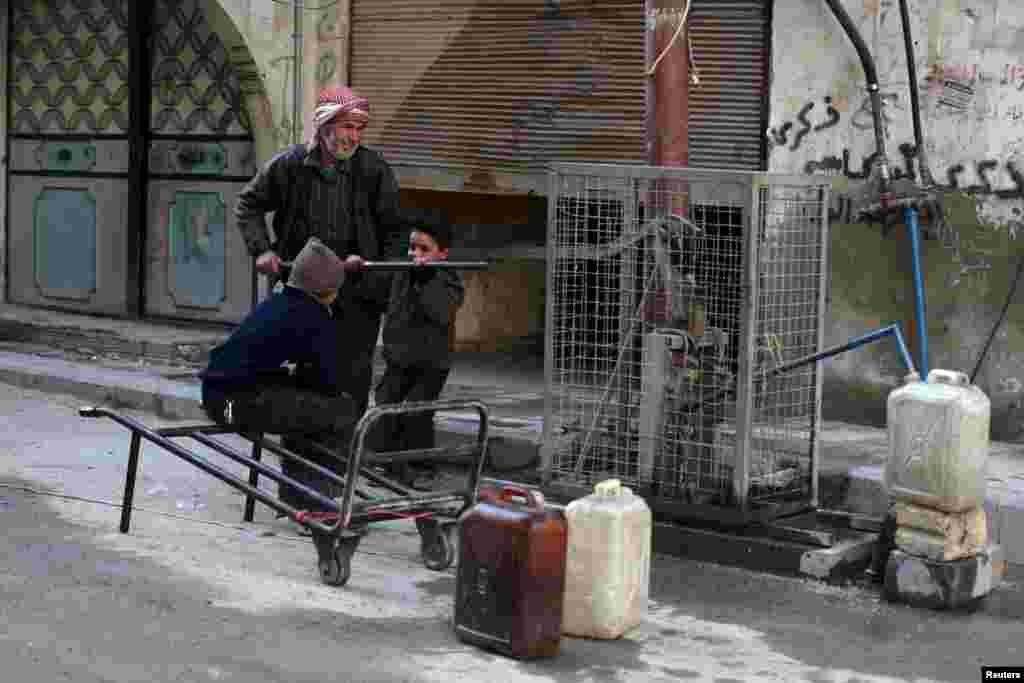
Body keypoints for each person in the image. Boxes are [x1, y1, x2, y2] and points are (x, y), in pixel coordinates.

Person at [234, 84, 407, 423]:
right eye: (347, 127)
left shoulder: (373, 169)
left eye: (358, 129)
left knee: (352, 379)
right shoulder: (289, 165)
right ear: (324, 125)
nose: (353, 137)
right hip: (303, 291)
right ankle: (301, 463)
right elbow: (248, 204)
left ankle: (341, 461)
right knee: (306, 374)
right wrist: (262, 249)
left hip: (357, 297)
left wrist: (374, 269)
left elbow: (396, 231)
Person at [199, 237, 358, 521]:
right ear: (326, 290)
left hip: (217, 398)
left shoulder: (281, 301)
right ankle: (316, 504)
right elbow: (327, 380)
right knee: (340, 410)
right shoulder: (312, 315)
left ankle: (297, 496)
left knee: (305, 407)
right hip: (235, 405)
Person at [374, 211, 465, 489]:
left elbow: (440, 311)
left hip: (431, 363)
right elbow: (393, 309)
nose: (415, 254)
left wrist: (426, 282)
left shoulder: (447, 279)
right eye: (412, 247)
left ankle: (422, 467)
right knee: (386, 407)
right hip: (399, 357)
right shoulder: (403, 273)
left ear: (443, 254)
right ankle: (389, 464)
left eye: (424, 249)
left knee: (418, 415)